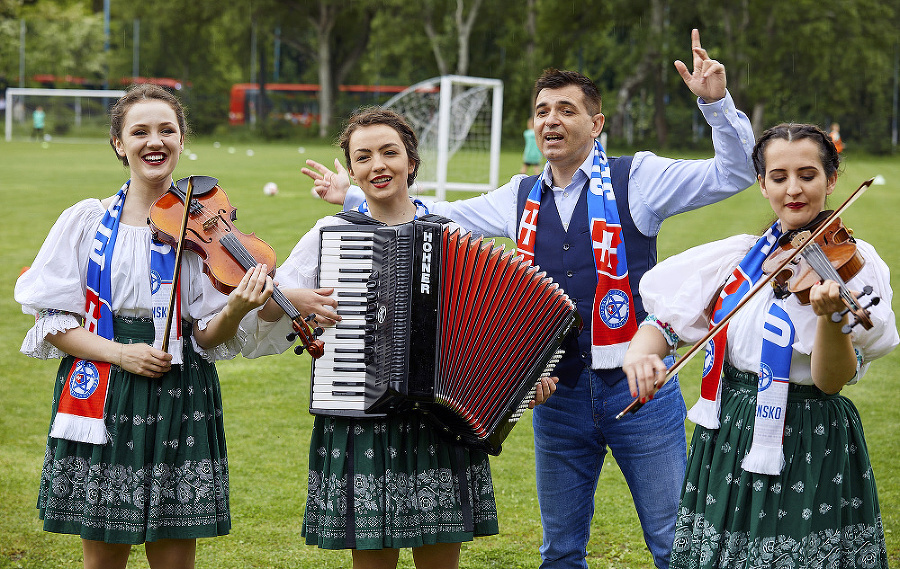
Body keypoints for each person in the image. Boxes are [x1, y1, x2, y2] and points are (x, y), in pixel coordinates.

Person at [304, 29, 758, 569]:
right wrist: (358, 192)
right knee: (560, 550)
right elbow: (438, 214)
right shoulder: (519, 196)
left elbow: (732, 173)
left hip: (638, 389)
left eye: (566, 110)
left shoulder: (637, 176)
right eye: (542, 111)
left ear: (597, 124)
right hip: (556, 396)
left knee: (673, 540)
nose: (551, 121)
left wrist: (715, 104)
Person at [243, 107, 558, 569]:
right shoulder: (330, 234)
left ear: (411, 162)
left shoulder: (451, 237)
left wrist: (524, 382)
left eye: (390, 153)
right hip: (359, 416)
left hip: (439, 422)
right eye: (364, 157)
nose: (378, 166)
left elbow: (487, 327)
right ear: (352, 171)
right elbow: (268, 308)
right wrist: (298, 299)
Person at [14, 84, 274, 569]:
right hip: (102, 384)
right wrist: (120, 354)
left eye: (166, 130)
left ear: (181, 140)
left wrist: (236, 309)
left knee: (174, 554)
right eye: (140, 131)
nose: (154, 141)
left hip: (180, 388)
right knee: (104, 556)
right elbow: (53, 322)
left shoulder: (205, 231)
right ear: (119, 144)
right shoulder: (86, 221)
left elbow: (205, 336)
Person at [623, 123, 898, 568]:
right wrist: (641, 351)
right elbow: (666, 323)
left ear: (831, 181)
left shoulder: (854, 268)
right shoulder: (739, 257)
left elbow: (831, 382)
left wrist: (831, 320)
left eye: (808, 176)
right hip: (730, 429)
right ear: (762, 184)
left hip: (809, 433)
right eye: (779, 177)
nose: (794, 189)